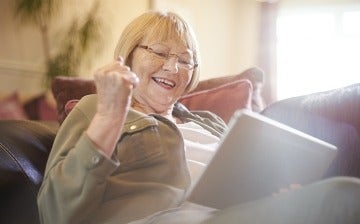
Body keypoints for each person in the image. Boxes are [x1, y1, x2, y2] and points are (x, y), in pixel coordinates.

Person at [37, 11, 360, 224]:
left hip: (234, 214)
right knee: (343, 197)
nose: (173, 67)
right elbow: (55, 212)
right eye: (160, 53)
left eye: (185, 60)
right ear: (129, 56)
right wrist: (109, 116)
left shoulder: (208, 121)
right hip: (167, 218)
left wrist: (277, 195)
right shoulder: (96, 108)